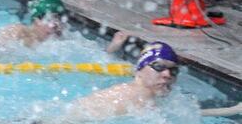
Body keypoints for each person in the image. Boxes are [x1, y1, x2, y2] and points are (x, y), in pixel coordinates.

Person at [52, 42, 242, 121]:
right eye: (159, 67)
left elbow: (184, 115)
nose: (167, 74)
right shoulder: (138, 95)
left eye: (173, 70)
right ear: (140, 70)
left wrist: (231, 110)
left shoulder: (146, 95)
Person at [0, 0, 67, 48]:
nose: (56, 24)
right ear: (36, 20)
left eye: (59, 18)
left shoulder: (60, 41)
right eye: (49, 19)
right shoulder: (15, 32)